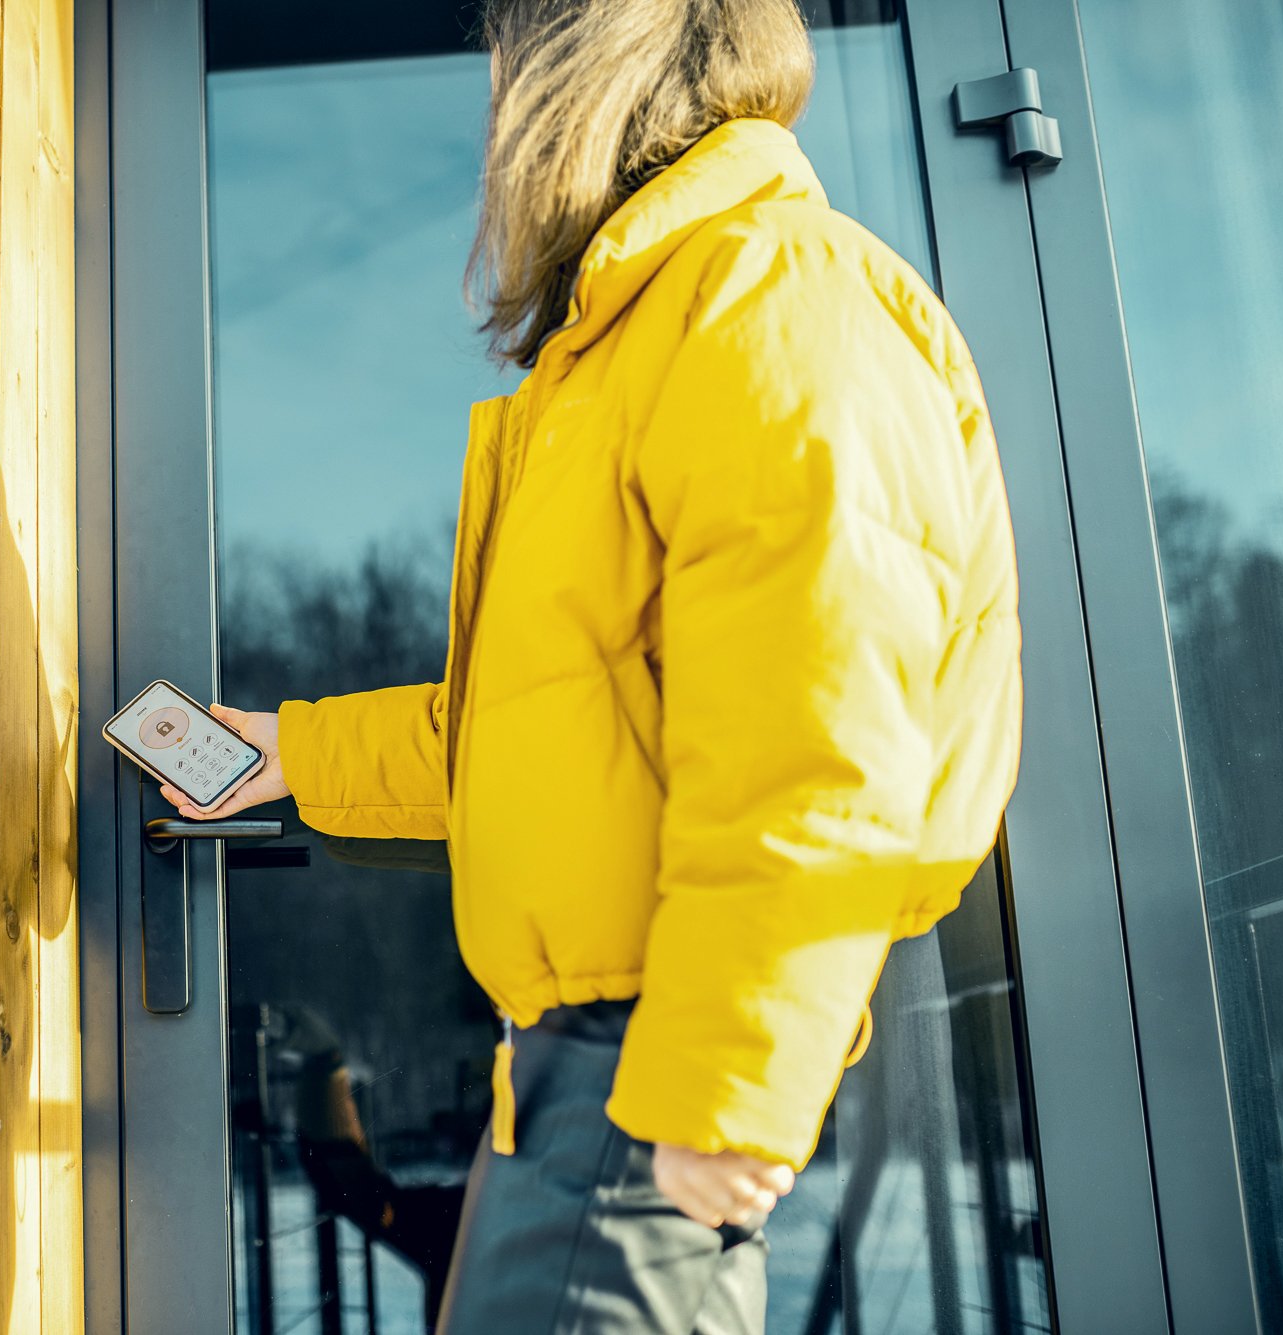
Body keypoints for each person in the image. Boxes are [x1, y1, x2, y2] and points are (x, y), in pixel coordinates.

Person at [162, 0, 1023, 1329]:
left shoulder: (772, 292)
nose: (493, 109)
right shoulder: (630, 337)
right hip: (577, 1079)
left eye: (507, 70)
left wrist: (725, 1085)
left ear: (581, 73)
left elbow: (824, 732)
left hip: (647, 1074)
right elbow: (550, 726)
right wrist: (290, 754)